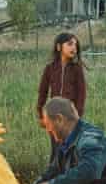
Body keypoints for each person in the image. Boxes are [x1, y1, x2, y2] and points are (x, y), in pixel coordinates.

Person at [36, 33, 87, 162]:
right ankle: (52, 178)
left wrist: (77, 116)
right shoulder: (50, 68)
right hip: (53, 116)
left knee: (69, 150)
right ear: (59, 47)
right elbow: (42, 93)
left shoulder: (77, 69)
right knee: (56, 150)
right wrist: (41, 115)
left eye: (75, 45)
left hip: (70, 118)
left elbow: (82, 94)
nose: (74, 48)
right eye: (70, 44)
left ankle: (71, 177)